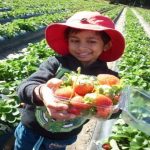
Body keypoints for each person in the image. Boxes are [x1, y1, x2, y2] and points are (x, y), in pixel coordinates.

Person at [14, 11, 125, 150]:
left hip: (66, 136)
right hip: (33, 131)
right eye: (75, 40)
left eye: (91, 41)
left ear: (106, 45)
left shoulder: (108, 79)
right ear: (68, 41)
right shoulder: (55, 64)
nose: (81, 47)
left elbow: (115, 110)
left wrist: (112, 109)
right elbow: (25, 87)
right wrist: (42, 91)